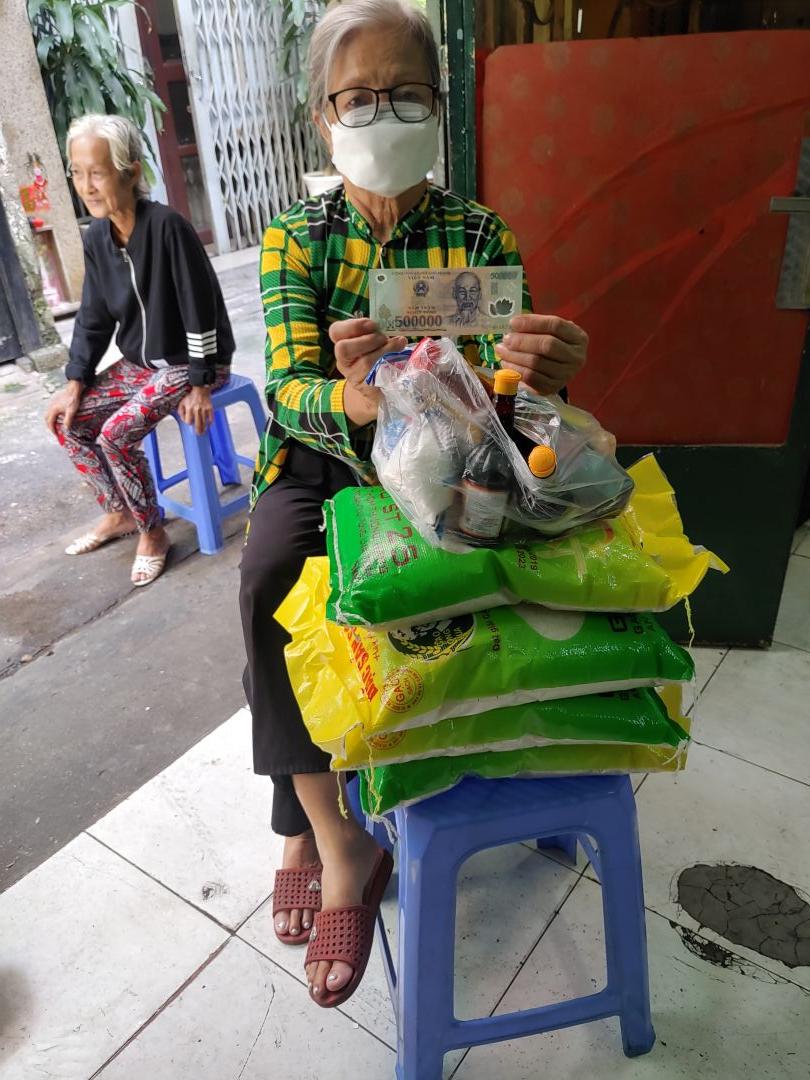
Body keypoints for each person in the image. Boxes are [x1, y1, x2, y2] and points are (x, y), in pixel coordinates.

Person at [239, 0, 589, 1009]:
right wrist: (355, 398)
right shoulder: (296, 238)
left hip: (442, 462)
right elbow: (289, 389)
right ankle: (329, 837)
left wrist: (545, 374)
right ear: (323, 117)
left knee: (477, 568)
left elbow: (502, 399)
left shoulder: (478, 233)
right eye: (357, 97)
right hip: (322, 457)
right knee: (270, 579)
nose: (380, 114)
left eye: (404, 94)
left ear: (438, 107)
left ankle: (335, 806)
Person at [44, 115, 234, 586]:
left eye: (97, 172)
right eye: (77, 173)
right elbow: (93, 316)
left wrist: (200, 383)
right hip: (141, 365)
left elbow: (200, 308)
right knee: (70, 422)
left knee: (115, 434)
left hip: (193, 361)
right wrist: (75, 381)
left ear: (130, 172)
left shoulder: (168, 227)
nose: (86, 186)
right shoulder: (97, 237)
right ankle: (120, 512)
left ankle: (152, 532)